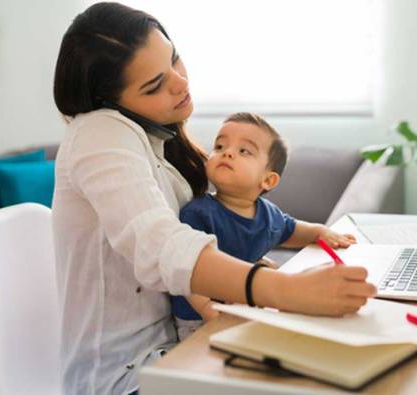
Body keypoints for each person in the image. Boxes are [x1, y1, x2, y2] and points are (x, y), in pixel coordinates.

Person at [52, 2, 377, 394]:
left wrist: (242, 271)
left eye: (175, 59)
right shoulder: (99, 133)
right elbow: (160, 246)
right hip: (125, 377)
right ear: (111, 103)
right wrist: (285, 290)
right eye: (155, 85)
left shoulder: (159, 140)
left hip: (186, 344)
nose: (180, 83)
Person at [171, 112, 358, 340]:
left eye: (244, 151)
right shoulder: (198, 212)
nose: (227, 152)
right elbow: (188, 269)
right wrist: (206, 308)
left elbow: (292, 230)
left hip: (247, 304)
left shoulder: (268, 214)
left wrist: (321, 232)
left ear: (268, 180)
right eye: (219, 146)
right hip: (198, 317)